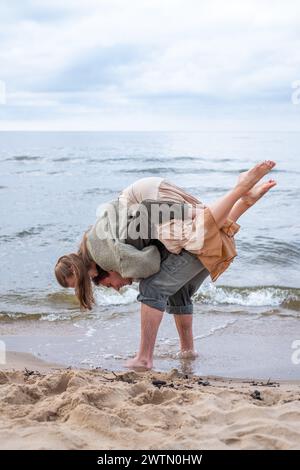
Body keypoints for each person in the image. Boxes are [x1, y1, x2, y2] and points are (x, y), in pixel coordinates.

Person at [55, 160, 276, 369]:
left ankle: (143, 358)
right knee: (178, 286)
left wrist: (139, 272)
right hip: (155, 194)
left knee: (153, 287)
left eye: (103, 283)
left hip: (149, 197)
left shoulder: (109, 254)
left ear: (97, 272)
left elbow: (149, 251)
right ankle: (188, 351)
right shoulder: (106, 241)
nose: (116, 287)